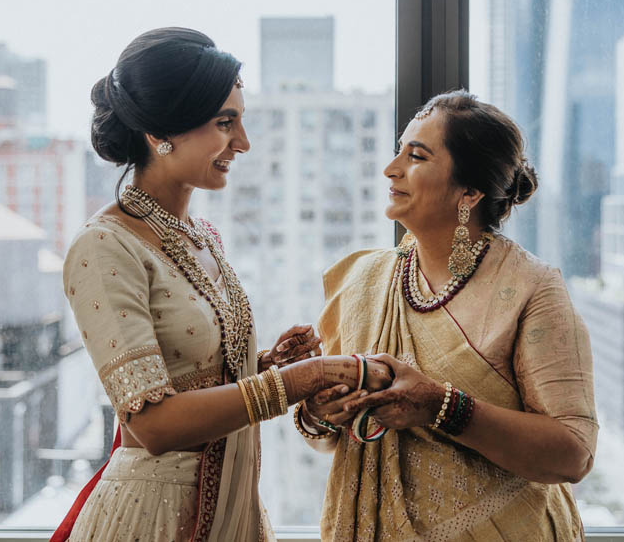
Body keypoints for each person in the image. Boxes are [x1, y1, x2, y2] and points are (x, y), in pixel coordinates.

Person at [52, 28, 391, 541]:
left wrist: (271, 366)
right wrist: (297, 381)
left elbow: (198, 380)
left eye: (241, 121)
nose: (243, 142)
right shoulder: (105, 247)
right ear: (159, 133)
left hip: (235, 510)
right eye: (224, 123)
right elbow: (155, 423)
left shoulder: (203, 237)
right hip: (155, 519)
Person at [297, 91, 599, 541]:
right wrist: (321, 411)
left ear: (469, 193)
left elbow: (573, 454)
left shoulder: (532, 289)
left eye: (416, 156)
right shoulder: (362, 281)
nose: (391, 168)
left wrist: (442, 407)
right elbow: (330, 439)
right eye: (398, 150)